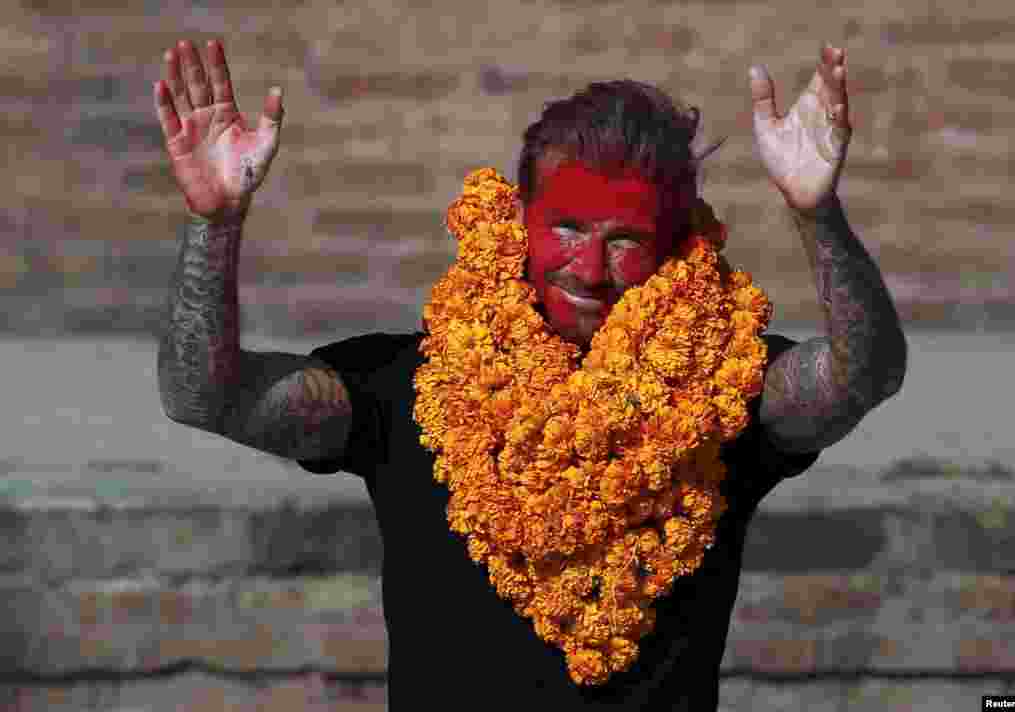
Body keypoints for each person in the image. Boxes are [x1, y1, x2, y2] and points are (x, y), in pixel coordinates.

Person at [154, 37, 907, 710]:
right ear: (520, 218)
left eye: (625, 240)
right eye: (569, 228)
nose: (587, 268)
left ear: (676, 242)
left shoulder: (721, 387)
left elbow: (862, 375)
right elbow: (203, 395)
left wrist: (818, 215)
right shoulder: (408, 384)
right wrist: (215, 224)